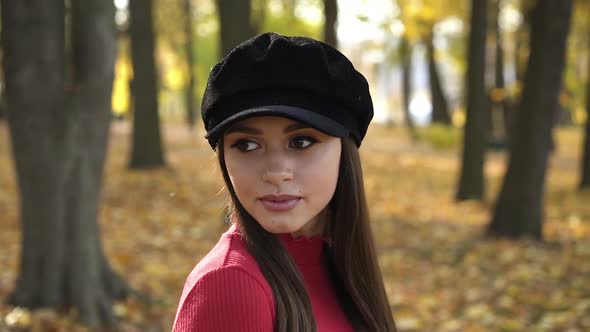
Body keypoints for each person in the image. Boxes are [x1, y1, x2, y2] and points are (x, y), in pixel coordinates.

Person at [172, 32, 397, 332]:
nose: (276, 172)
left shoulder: (339, 270)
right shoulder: (231, 284)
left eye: (301, 141)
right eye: (247, 145)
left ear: (345, 151)